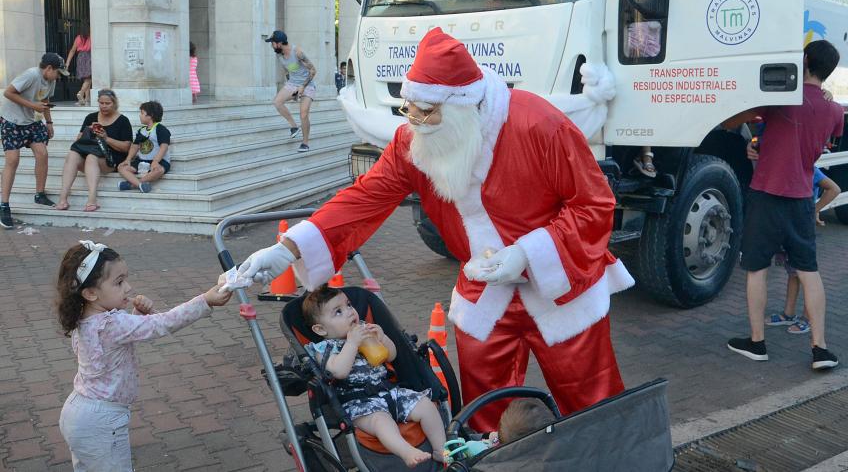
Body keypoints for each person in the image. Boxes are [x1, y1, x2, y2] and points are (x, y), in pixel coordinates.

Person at [232, 27, 632, 432]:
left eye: (427, 111)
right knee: (484, 411)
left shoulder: (539, 124)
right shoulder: (414, 140)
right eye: (410, 109)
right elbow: (366, 197)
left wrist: (527, 254)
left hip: (561, 285)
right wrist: (288, 249)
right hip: (485, 290)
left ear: (463, 105)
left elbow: (594, 204)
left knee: (592, 400)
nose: (417, 123)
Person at [55, 240, 232, 471]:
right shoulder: (112, 323)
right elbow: (163, 323)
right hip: (102, 421)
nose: (128, 287)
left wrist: (137, 314)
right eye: (119, 282)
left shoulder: (84, 319)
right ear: (90, 293)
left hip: (78, 412)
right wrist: (205, 300)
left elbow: (114, 342)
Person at [722, 40, 844, 370]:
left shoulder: (781, 99)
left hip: (766, 193)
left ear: (804, 60)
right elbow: (814, 145)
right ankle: (820, 348)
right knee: (809, 272)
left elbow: (733, 121)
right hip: (803, 197)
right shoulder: (835, 110)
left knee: (757, 270)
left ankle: (757, 342)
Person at [302, 286, 446, 466]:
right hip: (360, 403)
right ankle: (407, 452)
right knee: (381, 423)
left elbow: (391, 355)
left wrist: (382, 338)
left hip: (389, 391)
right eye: (338, 312)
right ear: (321, 329)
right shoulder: (324, 348)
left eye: (348, 305)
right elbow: (338, 371)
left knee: (426, 406)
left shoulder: (364, 332)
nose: (349, 312)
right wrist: (352, 344)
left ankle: (442, 450)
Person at [765, 166, 842, 335]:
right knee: (793, 273)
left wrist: (813, 210)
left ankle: (808, 318)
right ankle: (789, 313)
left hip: (800, 229)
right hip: (786, 228)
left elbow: (834, 189)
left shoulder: (808, 168)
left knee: (805, 273)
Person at [0, 53, 66, 228]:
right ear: (49, 68)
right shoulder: (31, 74)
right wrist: (32, 106)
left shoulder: (49, 80)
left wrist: (49, 122)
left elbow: (44, 100)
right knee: (12, 161)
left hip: (33, 121)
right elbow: (8, 92)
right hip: (12, 121)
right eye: (58, 73)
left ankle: (40, 194)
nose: (59, 77)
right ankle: (4, 205)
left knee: (42, 153)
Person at [54, 89, 134, 212]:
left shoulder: (123, 121)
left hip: (110, 159)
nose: (104, 106)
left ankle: (92, 200)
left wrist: (106, 138)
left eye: (107, 103)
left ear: (114, 103)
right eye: (101, 103)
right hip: (90, 153)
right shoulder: (91, 117)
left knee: (92, 157)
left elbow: (126, 147)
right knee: (72, 155)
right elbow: (78, 141)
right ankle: (62, 198)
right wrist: (89, 132)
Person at [266, 30, 316, 152]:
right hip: (292, 84)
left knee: (303, 114)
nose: (271, 45)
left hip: (308, 85)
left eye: (272, 43)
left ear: (279, 43)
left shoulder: (298, 53)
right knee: (277, 102)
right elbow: (288, 71)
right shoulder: (279, 55)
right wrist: (293, 92)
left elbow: (313, 70)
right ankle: (294, 127)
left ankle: (305, 143)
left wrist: (302, 87)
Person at [118, 101, 171, 193]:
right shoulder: (141, 130)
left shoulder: (160, 129)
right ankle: (139, 185)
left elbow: (164, 146)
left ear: (150, 115)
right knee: (121, 167)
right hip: (142, 161)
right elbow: (135, 146)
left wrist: (155, 161)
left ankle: (132, 184)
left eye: (142, 113)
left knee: (158, 171)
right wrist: (128, 159)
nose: (140, 115)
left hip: (158, 161)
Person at [66, 24, 92, 106]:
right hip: (89, 56)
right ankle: (81, 92)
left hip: (80, 57)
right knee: (89, 78)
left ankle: (86, 99)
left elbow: (72, 50)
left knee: (86, 79)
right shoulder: (91, 37)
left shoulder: (78, 38)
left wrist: (67, 62)